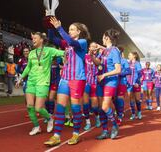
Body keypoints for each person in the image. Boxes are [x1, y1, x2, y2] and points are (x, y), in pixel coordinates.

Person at [44, 17, 90, 146]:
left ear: (79, 31)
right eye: (69, 29)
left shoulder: (82, 42)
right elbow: (53, 39)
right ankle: (56, 135)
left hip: (77, 79)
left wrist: (59, 28)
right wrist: (50, 26)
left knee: (75, 108)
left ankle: (76, 134)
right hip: (65, 78)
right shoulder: (67, 44)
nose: (69, 31)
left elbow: (71, 42)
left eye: (72, 29)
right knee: (60, 107)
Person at [16, 32, 65, 136]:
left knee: (38, 108)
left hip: (43, 82)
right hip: (31, 81)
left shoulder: (49, 50)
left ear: (41, 40)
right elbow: (28, 67)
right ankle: (36, 126)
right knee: (29, 106)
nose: (33, 40)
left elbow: (63, 53)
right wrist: (21, 78)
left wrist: (70, 50)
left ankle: (49, 118)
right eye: (32, 38)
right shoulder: (31, 53)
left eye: (35, 38)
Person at [94, 29, 121, 140]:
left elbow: (118, 69)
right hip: (101, 81)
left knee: (105, 106)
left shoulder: (115, 51)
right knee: (101, 108)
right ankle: (105, 131)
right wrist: (91, 55)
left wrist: (104, 75)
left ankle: (115, 126)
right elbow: (98, 63)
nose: (101, 39)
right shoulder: (104, 51)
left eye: (103, 37)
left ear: (107, 38)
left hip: (110, 81)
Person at [82, 42, 101, 131]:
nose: (93, 48)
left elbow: (97, 63)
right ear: (89, 48)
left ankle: (97, 118)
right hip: (86, 82)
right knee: (85, 105)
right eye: (92, 47)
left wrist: (92, 55)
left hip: (94, 83)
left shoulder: (99, 57)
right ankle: (88, 122)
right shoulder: (84, 56)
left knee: (94, 106)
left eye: (95, 47)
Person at [114, 47, 130, 126]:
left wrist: (119, 73)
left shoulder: (124, 61)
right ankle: (118, 112)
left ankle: (119, 116)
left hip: (121, 82)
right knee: (114, 99)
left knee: (119, 99)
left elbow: (128, 71)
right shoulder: (112, 60)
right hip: (112, 82)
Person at [127, 52, 143, 120]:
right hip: (129, 84)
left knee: (137, 99)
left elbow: (140, 73)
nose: (128, 56)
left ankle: (139, 112)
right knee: (131, 99)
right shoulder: (128, 63)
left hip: (136, 84)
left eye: (129, 55)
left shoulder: (137, 63)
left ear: (134, 56)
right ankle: (133, 113)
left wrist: (136, 82)